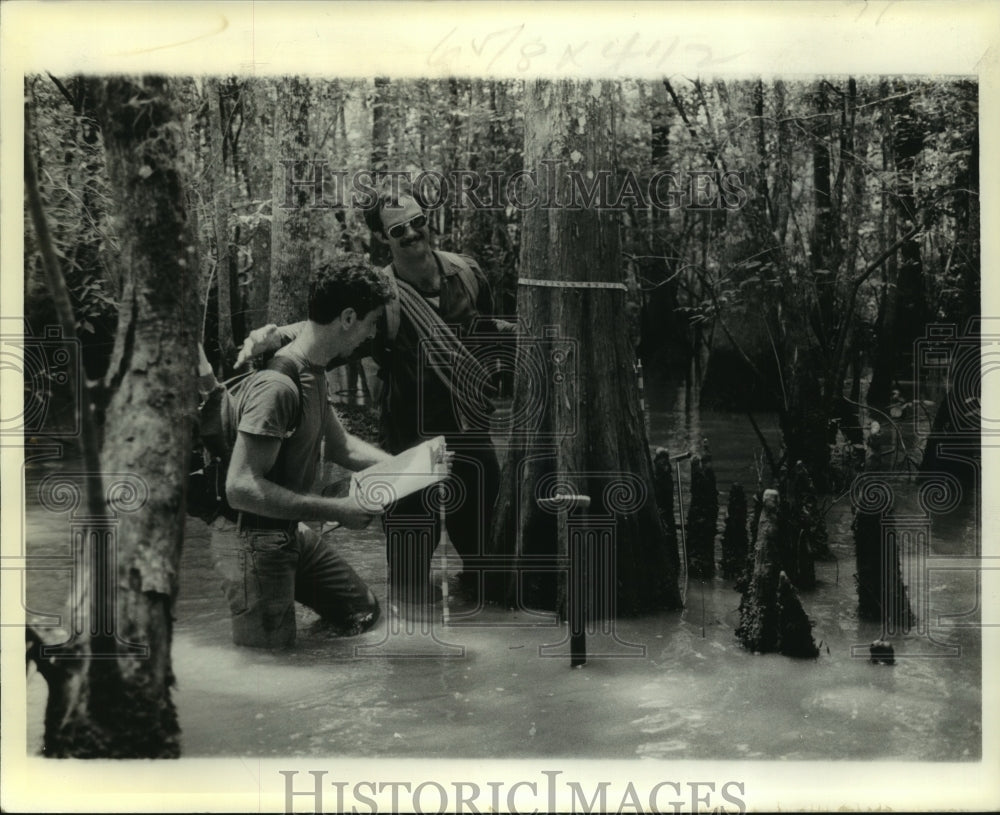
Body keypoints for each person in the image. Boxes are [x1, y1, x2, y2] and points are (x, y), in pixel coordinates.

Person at [237, 182, 515, 612]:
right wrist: (271, 335)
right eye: (397, 229)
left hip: (471, 445)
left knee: (493, 574)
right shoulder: (380, 299)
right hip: (405, 449)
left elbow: (489, 338)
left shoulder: (468, 275)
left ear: (430, 222)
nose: (411, 234)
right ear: (385, 239)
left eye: (417, 222)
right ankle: (410, 661)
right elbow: (323, 327)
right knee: (407, 585)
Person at [210, 257, 394, 648]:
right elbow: (240, 488)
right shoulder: (279, 385)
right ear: (347, 317)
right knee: (268, 668)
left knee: (362, 616)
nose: (372, 333)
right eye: (372, 321)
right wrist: (337, 509)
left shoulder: (315, 370)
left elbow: (342, 446)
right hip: (251, 541)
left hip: (289, 529)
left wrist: (409, 468)